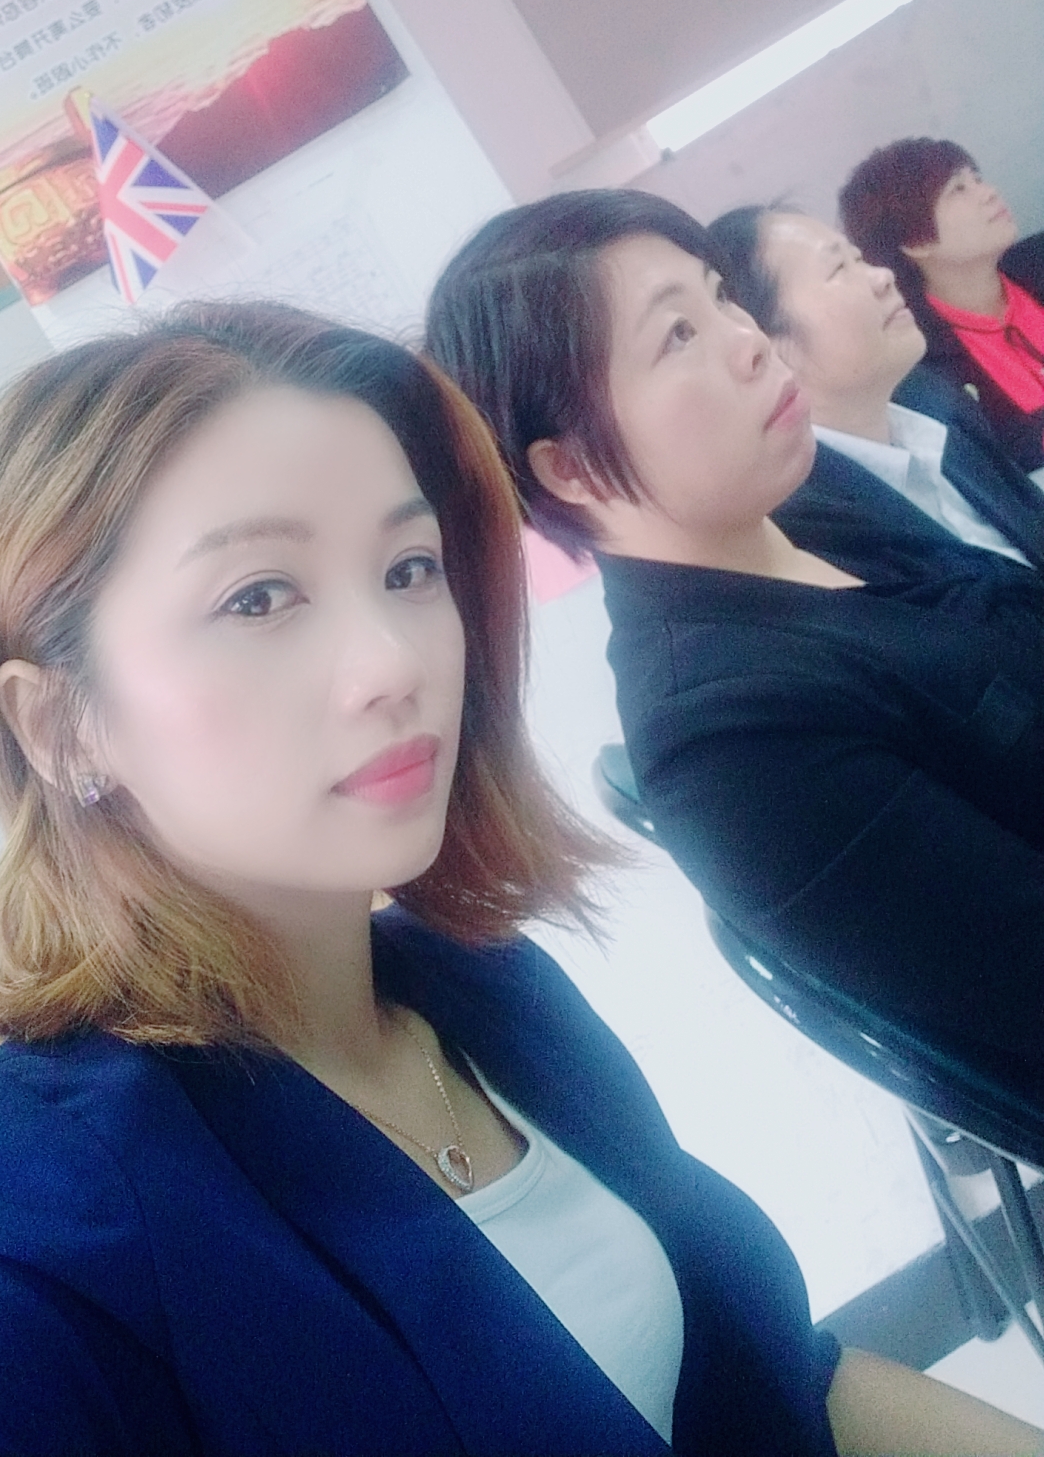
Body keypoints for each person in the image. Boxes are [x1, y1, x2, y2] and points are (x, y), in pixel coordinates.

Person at [0, 305, 1030, 1457]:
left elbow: (789, 1381)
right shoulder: (30, 1246)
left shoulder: (488, 993)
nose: (394, 663)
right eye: (258, 597)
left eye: (409, 569)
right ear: (62, 725)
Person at [424, 190, 1044, 1105]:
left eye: (720, 297)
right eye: (677, 334)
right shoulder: (733, 748)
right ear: (570, 466)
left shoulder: (810, 506)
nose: (749, 340)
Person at [706, 204, 1044, 573]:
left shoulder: (933, 403)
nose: (883, 276)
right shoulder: (811, 531)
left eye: (859, 258)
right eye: (839, 268)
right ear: (765, 342)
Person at [839, 138, 1044, 476]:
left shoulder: (1036, 261)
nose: (988, 192)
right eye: (958, 189)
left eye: (977, 178)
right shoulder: (923, 370)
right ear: (915, 242)